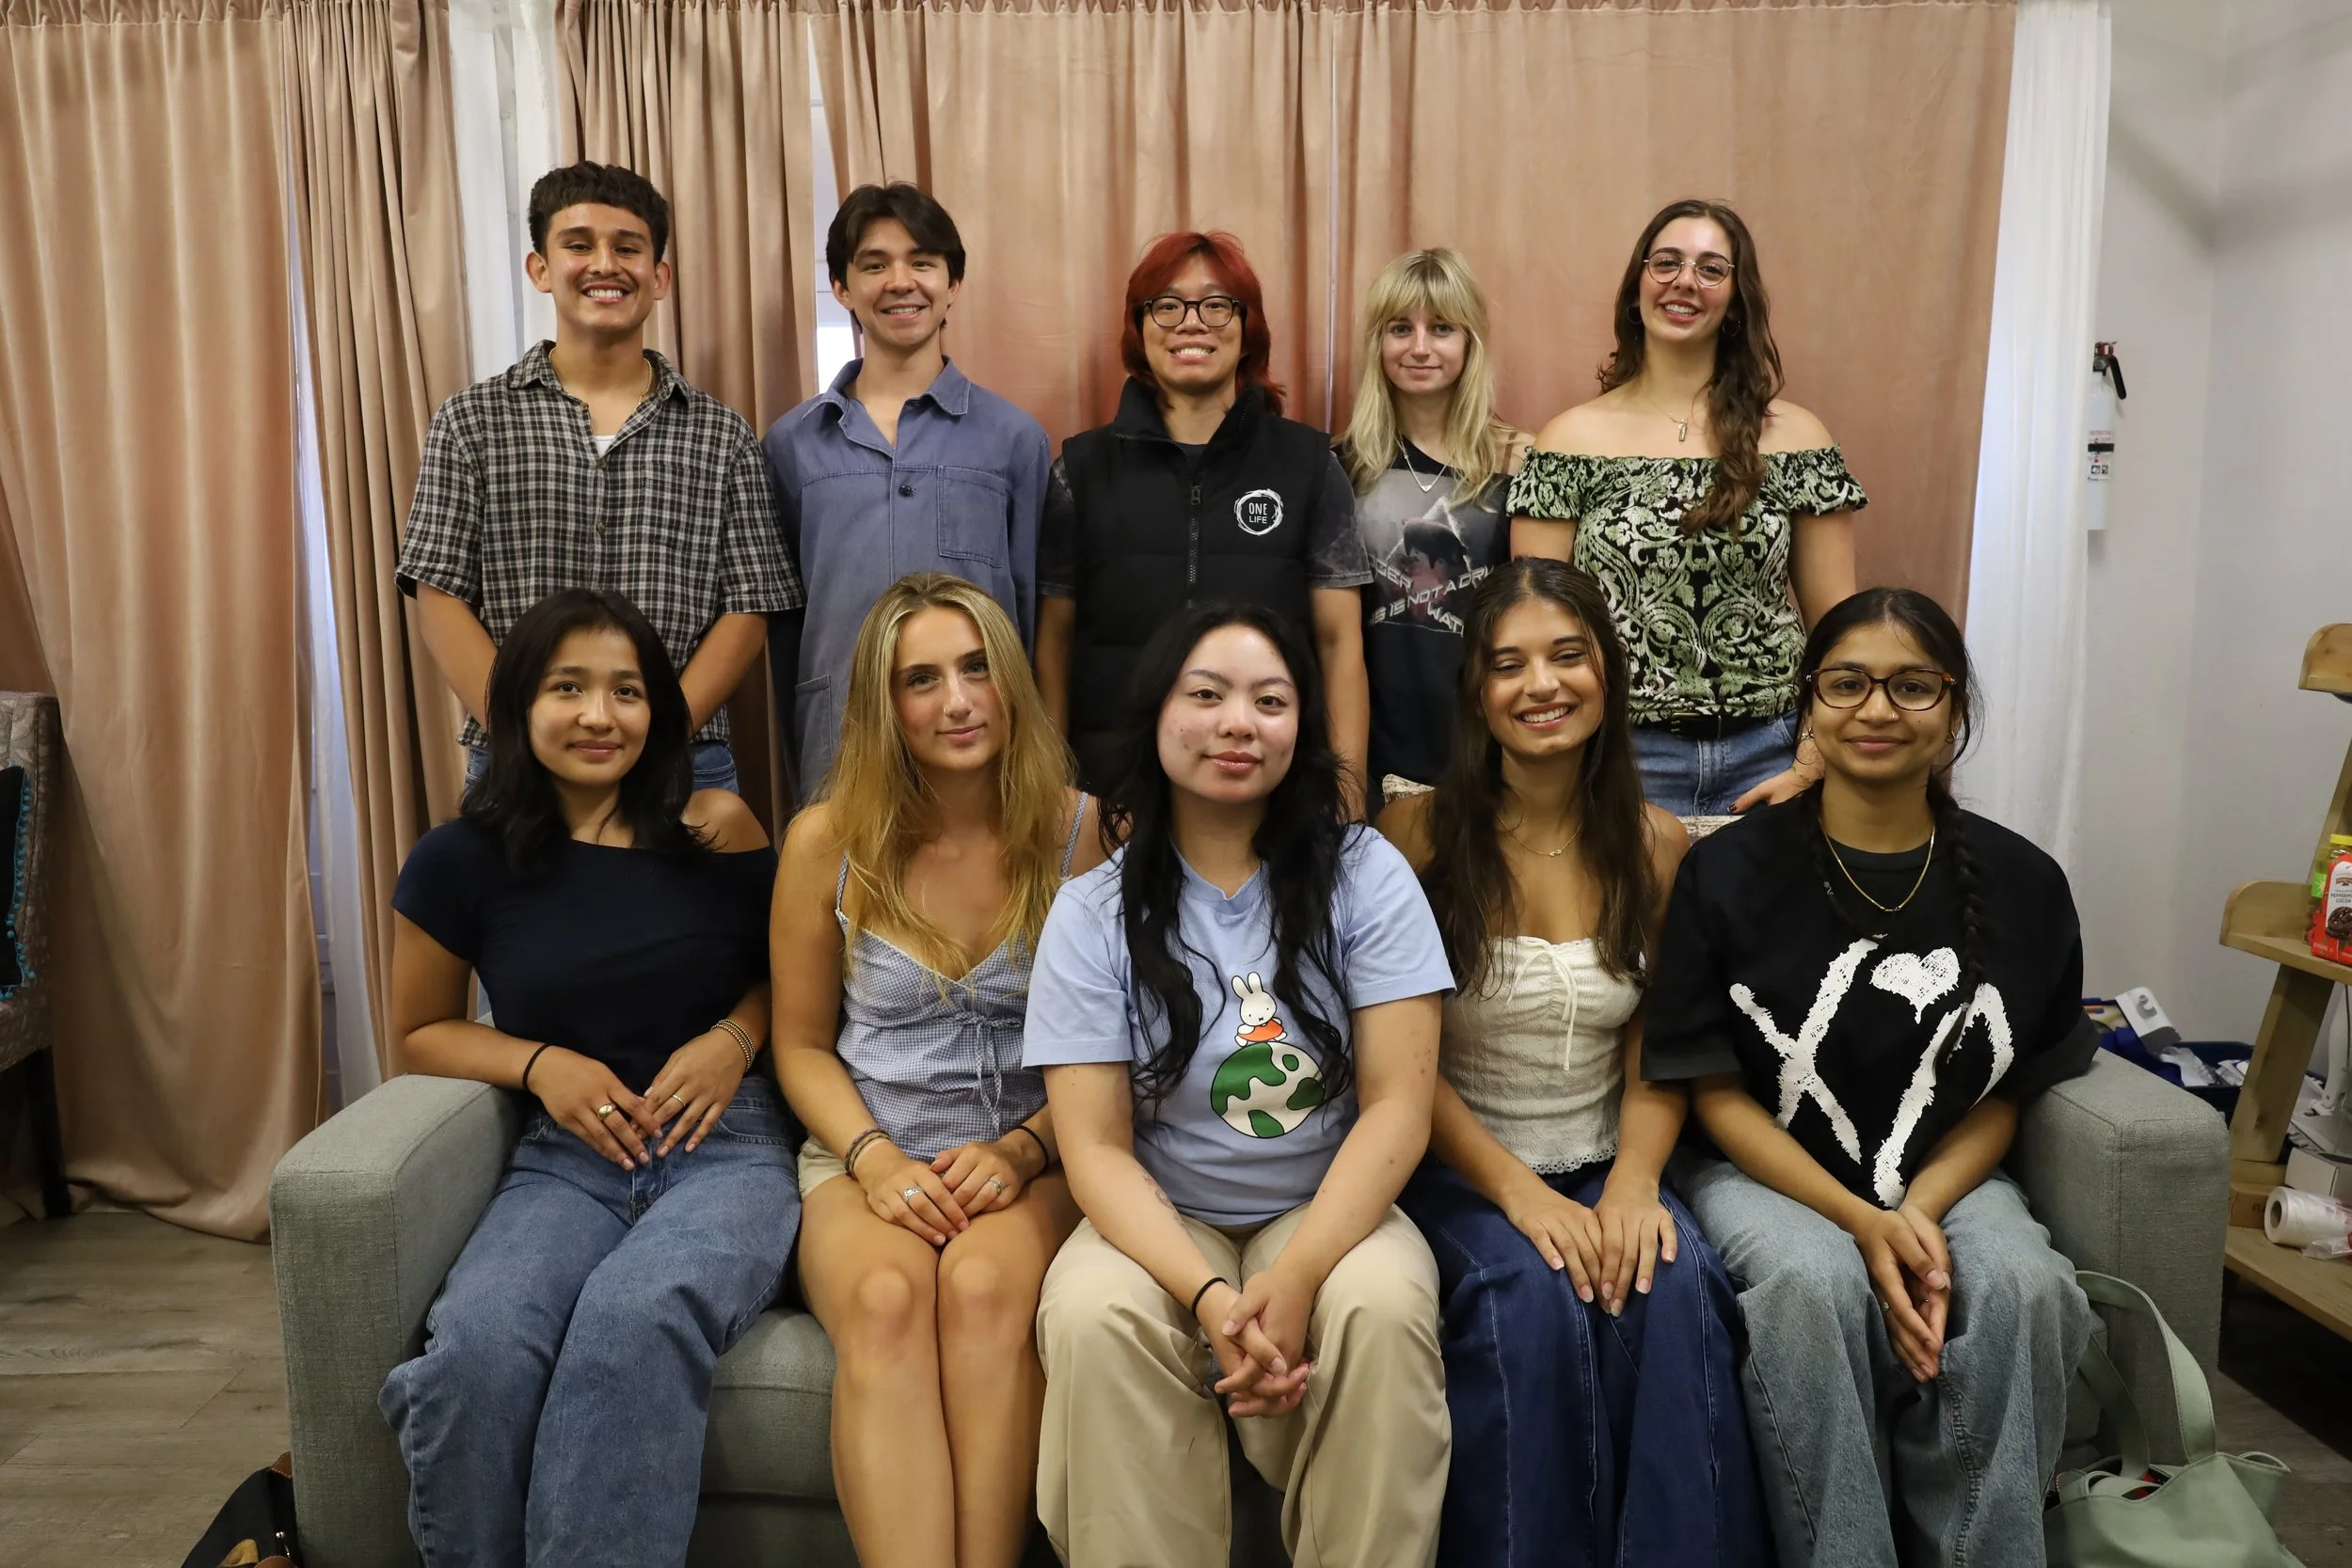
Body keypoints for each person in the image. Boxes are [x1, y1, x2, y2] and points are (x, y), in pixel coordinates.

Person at [1643, 586, 2099, 1568]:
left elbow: (2009, 1089)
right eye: (1846, 683)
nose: (1877, 709)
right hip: (1763, 1171)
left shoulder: (2023, 881)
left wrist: (1916, 1212)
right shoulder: (1728, 871)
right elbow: (1711, 1091)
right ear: (1806, 706)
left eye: (1911, 686)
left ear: (1955, 712)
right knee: (1808, 1285)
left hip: (1944, 1172)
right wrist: (1861, 1223)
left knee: (2024, 1284)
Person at [1025, 602, 1454, 1568]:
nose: (1237, 723)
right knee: (1093, 1313)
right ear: (1155, 714)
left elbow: (1398, 1104)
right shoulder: (1093, 910)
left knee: (1381, 1304)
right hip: (1162, 1216)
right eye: (1205, 694)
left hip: (1325, 1205)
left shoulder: (1366, 872)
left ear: (1300, 725)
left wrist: (1295, 1275)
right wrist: (1215, 1298)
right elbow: (1091, 1146)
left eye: (1269, 700)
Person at [380, 587, 795, 1567]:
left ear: (659, 711)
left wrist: (736, 1038)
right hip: (565, 1159)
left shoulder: (717, 822)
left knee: (633, 1319)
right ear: (520, 701)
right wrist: (539, 1061)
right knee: (474, 1349)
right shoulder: (459, 859)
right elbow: (420, 1030)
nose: (600, 715)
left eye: (626, 691)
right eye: (569, 687)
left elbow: (793, 980)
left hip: (724, 1150)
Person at [1377, 558, 1764, 1568]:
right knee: (1527, 1297)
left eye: (1566, 655)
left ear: (1608, 671)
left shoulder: (1657, 842)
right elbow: (1398, 1060)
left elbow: (1656, 1038)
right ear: (1475, 692)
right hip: (1454, 1169)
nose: (1540, 684)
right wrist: (1520, 1195)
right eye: (1507, 664)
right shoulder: (1411, 834)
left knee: (1674, 1283)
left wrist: (1634, 1184)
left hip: (1604, 1154)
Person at [771, 572, 1103, 1568]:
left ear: (1010, 683)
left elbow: (1113, 1053)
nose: (955, 701)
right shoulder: (825, 840)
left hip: (1036, 1152)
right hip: (867, 1151)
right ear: (885, 704)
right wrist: (872, 1158)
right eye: (921, 679)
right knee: (882, 1300)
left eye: (974, 670)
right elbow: (798, 1042)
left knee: (985, 1290)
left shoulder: (1081, 831)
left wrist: (1022, 1148)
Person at [398, 162, 801, 798]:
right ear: (540, 268)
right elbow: (440, 592)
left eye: (628, 247)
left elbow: (749, 605)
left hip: (681, 762)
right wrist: (524, 727)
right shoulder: (471, 421)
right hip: (515, 767)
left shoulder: (723, 435)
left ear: (659, 276)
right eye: (579, 245)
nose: (605, 264)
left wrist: (661, 728)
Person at [1509, 198, 1865, 816]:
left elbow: (1839, 628)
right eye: (1667, 263)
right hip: (1623, 760)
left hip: (1772, 753)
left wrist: (1813, 758)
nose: (1684, 282)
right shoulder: (1567, 442)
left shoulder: (1799, 439)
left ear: (1736, 299)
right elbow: (1535, 630)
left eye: (1711, 269)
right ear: (1638, 286)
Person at [1033, 231, 1374, 809]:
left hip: (1272, 784)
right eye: (1167, 306)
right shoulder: (1081, 471)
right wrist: (1053, 791)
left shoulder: (1310, 467)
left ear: (1248, 331)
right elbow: (1054, 643)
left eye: (1217, 305)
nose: (1192, 323)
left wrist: (1347, 798)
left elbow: (1341, 644)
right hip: (1111, 791)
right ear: (1140, 330)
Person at [764, 183, 1053, 798]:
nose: (901, 281)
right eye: (874, 264)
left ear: (953, 284)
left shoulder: (1014, 439)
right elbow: (786, 627)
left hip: (978, 740)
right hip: (839, 741)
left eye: (922, 262)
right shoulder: (791, 444)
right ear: (842, 287)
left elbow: (1029, 613)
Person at [1336, 248, 1530, 803]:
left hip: (1486, 757)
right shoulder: (1334, 467)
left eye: (1441, 328)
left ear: (1470, 342)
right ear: (1378, 343)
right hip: (1367, 759)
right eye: (1401, 328)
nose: (1419, 347)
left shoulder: (1521, 461)